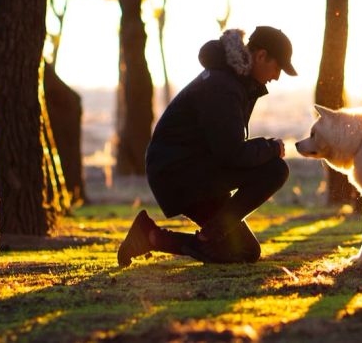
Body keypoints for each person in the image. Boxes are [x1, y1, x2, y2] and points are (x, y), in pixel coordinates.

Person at [117, 26, 296, 266]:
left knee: (244, 252)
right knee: (275, 169)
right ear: (261, 56)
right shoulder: (223, 86)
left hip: (191, 170)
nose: (276, 77)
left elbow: (226, 148)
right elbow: (231, 153)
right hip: (178, 173)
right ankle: (209, 237)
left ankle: (150, 236)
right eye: (277, 68)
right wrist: (271, 148)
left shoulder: (235, 82)